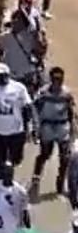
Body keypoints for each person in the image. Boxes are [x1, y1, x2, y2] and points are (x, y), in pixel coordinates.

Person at [31, 66, 74, 196]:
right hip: (48, 127)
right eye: (55, 79)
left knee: (65, 157)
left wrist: (72, 128)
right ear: (51, 79)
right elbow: (35, 109)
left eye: (60, 79)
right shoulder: (43, 93)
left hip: (62, 127)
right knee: (45, 154)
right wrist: (35, 128)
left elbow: (70, 111)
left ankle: (61, 180)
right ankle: (36, 177)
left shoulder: (67, 93)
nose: (58, 81)